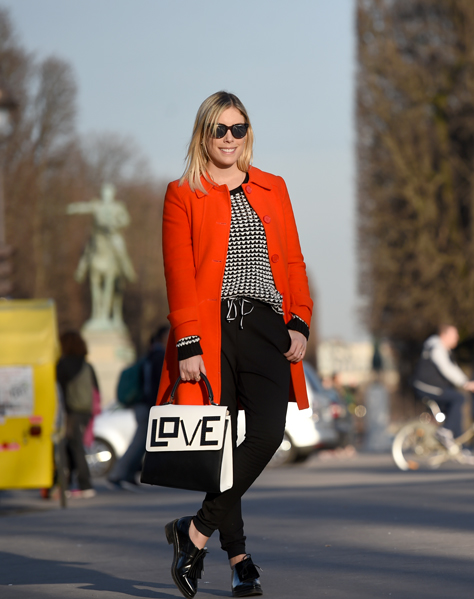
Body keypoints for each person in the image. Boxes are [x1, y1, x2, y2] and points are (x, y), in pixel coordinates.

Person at [158, 91, 313, 598]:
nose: (229, 138)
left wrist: (300, 321)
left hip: (266, 326)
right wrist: (187, 342)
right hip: (212, 331)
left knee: (267, 433)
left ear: (248, 134)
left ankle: (194, 531)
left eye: (238, 128)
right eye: (219, 129)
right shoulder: (183, 193)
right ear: (204, 134)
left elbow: (292, 261)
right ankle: (240, 559)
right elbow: (178, 274)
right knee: (220, 446)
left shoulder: (273, 187)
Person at [108, 324, 169, 489]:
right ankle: (118, 474)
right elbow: (157, 384)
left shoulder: (149, 356)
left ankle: (126, 475)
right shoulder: (160, 356)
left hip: (143, 405)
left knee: (141, 442)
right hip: (148, 405)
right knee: (139, 442)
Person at [412, 325, 474, 438]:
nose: (457, 337)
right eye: (454, 335)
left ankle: (459, 446)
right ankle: (444, 431)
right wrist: (465, 383)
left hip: (433, 386)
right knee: (459, 398)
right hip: (426, 387)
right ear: (444, 335)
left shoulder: (444, 349)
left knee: (455, 411)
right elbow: (446, 368)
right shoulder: (437, 348)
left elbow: (453, 368)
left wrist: (466, 381)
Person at [56, 331, 99, 499]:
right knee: (76, 445)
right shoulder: (87, 365)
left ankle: (83, 484)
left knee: (73, 447)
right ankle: (75, 484)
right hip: (85, 411)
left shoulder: (62, 364)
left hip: (70, 411)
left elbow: (60, 389)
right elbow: (96, 389)